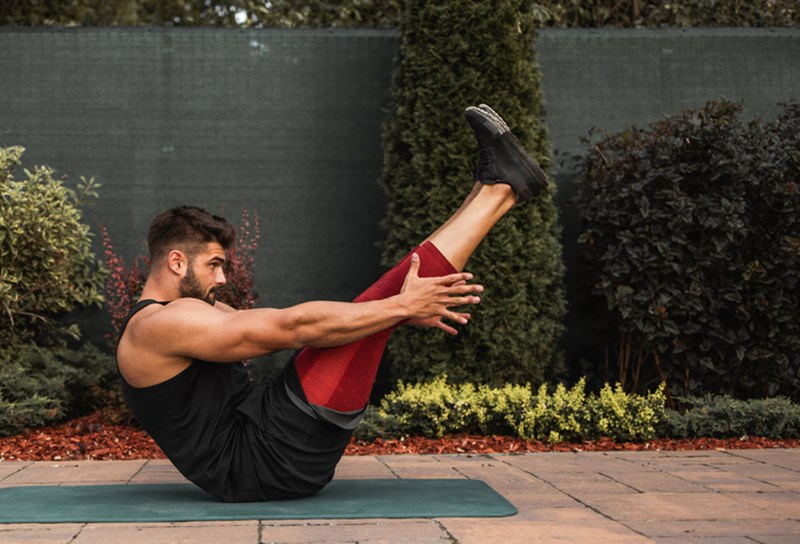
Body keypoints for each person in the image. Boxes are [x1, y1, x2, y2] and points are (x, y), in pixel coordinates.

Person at [115, 104, 550, 502]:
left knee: (378, 305)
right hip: (265, 460)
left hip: (273, 446)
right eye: (213, 264)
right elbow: (293, 328)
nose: (223, 277)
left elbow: (308, 325)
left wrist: (392, 315)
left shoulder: (183, 317)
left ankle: (492, 190)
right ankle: (498, 191)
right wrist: (399, 310)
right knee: (387, 300)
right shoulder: (157, 325)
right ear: (176, 261)